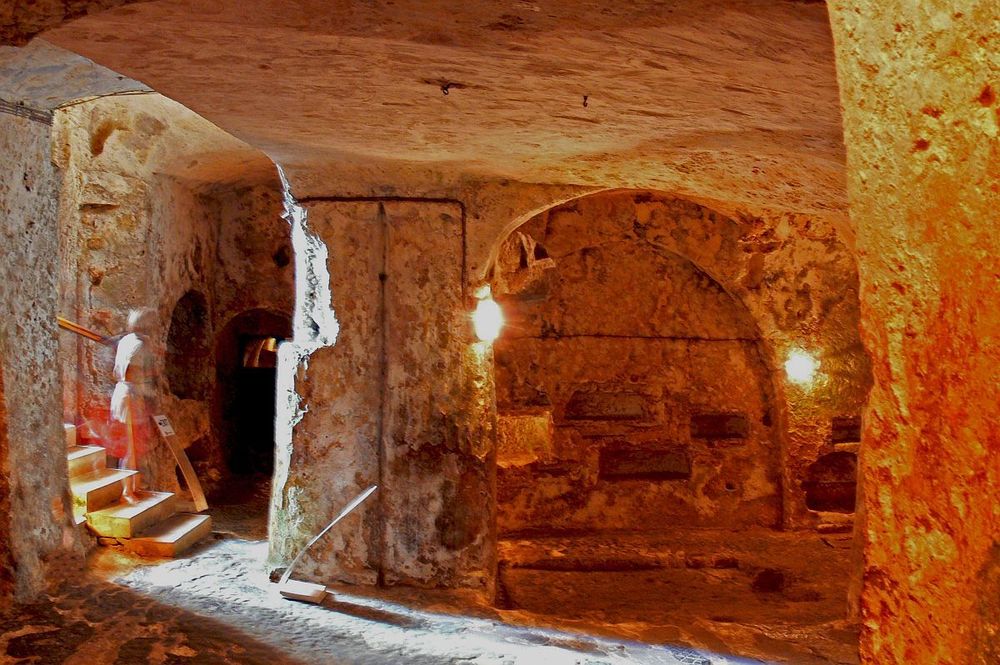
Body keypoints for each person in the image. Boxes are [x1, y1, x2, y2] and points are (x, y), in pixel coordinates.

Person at [108, 308, 157, 503]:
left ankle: (133, 486)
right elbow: (131, 372)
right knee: (131, 446)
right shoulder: (137, 345)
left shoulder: (126, 341)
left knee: (134, 446)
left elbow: (116, 372)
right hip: (130, 397)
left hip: (125, 394)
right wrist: (147, 385)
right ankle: (127, 491)